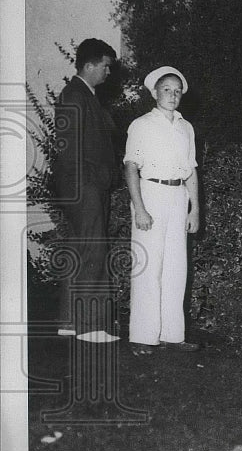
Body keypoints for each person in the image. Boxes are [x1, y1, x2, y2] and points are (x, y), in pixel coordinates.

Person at [123, 66, 200, 354]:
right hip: (151, 194)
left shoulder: (186, 127)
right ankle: (143, 337)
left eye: (177, 90)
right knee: (148, 267)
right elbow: (131, 166)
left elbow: (191, 170)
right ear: (155, 92)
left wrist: (195, 210)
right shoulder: (141, 124)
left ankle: (172, 334)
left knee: (176, 268)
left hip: (178, 196)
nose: (172, 94)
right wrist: (139, 208)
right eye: (166, 89)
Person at [51, 38, 120, 341]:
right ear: (90, 65)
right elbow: (69, 150)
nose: (108, 73)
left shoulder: (85, 95)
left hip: (85, 186)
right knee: (93, 250)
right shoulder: (75, 95)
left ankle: (70, 323)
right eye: (106, 66)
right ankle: (90, 326)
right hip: (85, 187)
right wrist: (87, 187)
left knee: (81, 250)